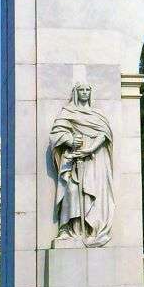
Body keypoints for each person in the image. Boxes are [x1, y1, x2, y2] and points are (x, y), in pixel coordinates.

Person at [50, 82, 114, 247]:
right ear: (76, 93)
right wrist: (70, 140)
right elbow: (56, 134)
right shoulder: (67, 112)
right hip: (73, 160)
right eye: (81, 90)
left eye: (87, 90)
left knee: (91, 193)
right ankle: (68, 229)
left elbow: (104, 134)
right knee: (71, 191)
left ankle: (91, 229)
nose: (85, 93)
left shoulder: (97, 114)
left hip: (93, 161)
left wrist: (90, 149)